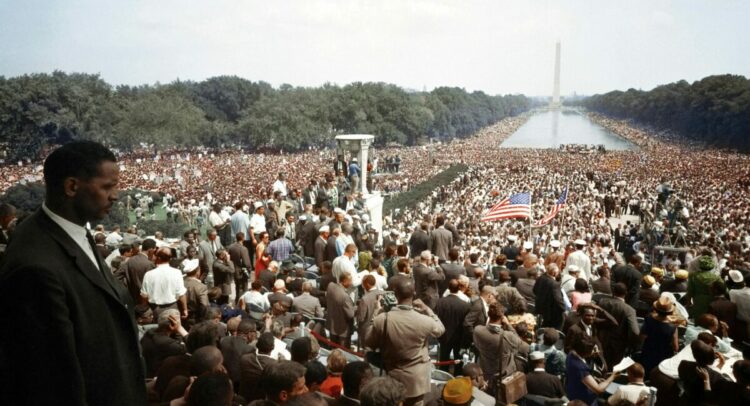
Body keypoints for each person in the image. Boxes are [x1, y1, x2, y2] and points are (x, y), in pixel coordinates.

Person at [0, 141, 147, 405]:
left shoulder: (73, 229)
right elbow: (52, 380)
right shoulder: (35, 266)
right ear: (71, 187)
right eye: (107, 186)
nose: (115, 195)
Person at [366, 278, 445, 405]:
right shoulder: (424, 320)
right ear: (414, 294)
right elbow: (440, 329)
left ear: (395, 294)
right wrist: (427, 309)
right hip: (416, 381)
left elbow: (368, 341)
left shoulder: (382, 319)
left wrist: (377, 312)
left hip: (393, 377)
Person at [472, 302, 529, 394]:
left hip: (484, 371)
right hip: (503, 376)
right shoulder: (508, 336)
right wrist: (508, 325)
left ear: (488, 314)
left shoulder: (478, 330)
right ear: (502, 317)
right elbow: (522, 345)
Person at [596, 283, 640, 368]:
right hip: (618, 346)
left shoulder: (602, 302)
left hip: (600, 341)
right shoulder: (629, 310)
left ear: (613, 291)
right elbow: (635, 332)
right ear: (626, 293)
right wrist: (630, 344)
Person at [565, 338, 620, 405]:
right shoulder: (580, 367)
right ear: (585, 351)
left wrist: (593, 379)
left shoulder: (571, 354)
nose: (597, 351)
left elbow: (579, 376)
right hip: (584, 400)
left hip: (573, 391)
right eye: (593, 349)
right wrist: (613, 376)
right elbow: (598, 389)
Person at [435, 279, 471, 371]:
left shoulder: (440, 302)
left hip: (444, 335)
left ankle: (443, 376)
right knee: (458, 361)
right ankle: (458, 376)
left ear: (448, 288)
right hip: (459, 337)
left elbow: (435, 318)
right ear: (459, 288)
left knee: (443, 360)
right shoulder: (465, 305)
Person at [677, 339, 724, 405]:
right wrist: (721, 364)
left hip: (686, 397)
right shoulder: (717, 377)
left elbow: (682, 377)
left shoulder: (684, 364)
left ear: (694, 355)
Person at [640, 296, 679, 374]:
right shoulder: (673, 327)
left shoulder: (649, 319)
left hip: (648, 353)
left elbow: (641, 338)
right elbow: (676, 347)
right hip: (663, 357)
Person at [240, 332, 278, 402]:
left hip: (244, 398)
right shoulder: (275, 365)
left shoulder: (244, 359)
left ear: (257, 345)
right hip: (262, 401)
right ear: (273, 348)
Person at [326, 271, 356, 348]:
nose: (351, 283)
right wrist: (356, 308)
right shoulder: (345, 297)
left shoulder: (330, 286)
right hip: (343, 330)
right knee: (343, 352)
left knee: (333, 349)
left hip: (332, 325)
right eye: (350, 281)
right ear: (344, 281)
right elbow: (351, 314)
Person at [535, 263, 566, 329]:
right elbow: (558, 300)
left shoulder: (541, 278)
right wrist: (564, 309)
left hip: (540, 308)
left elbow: (534, 290)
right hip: (551, 313)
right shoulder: (554, 284)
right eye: (557, 272)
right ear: (554, 273)